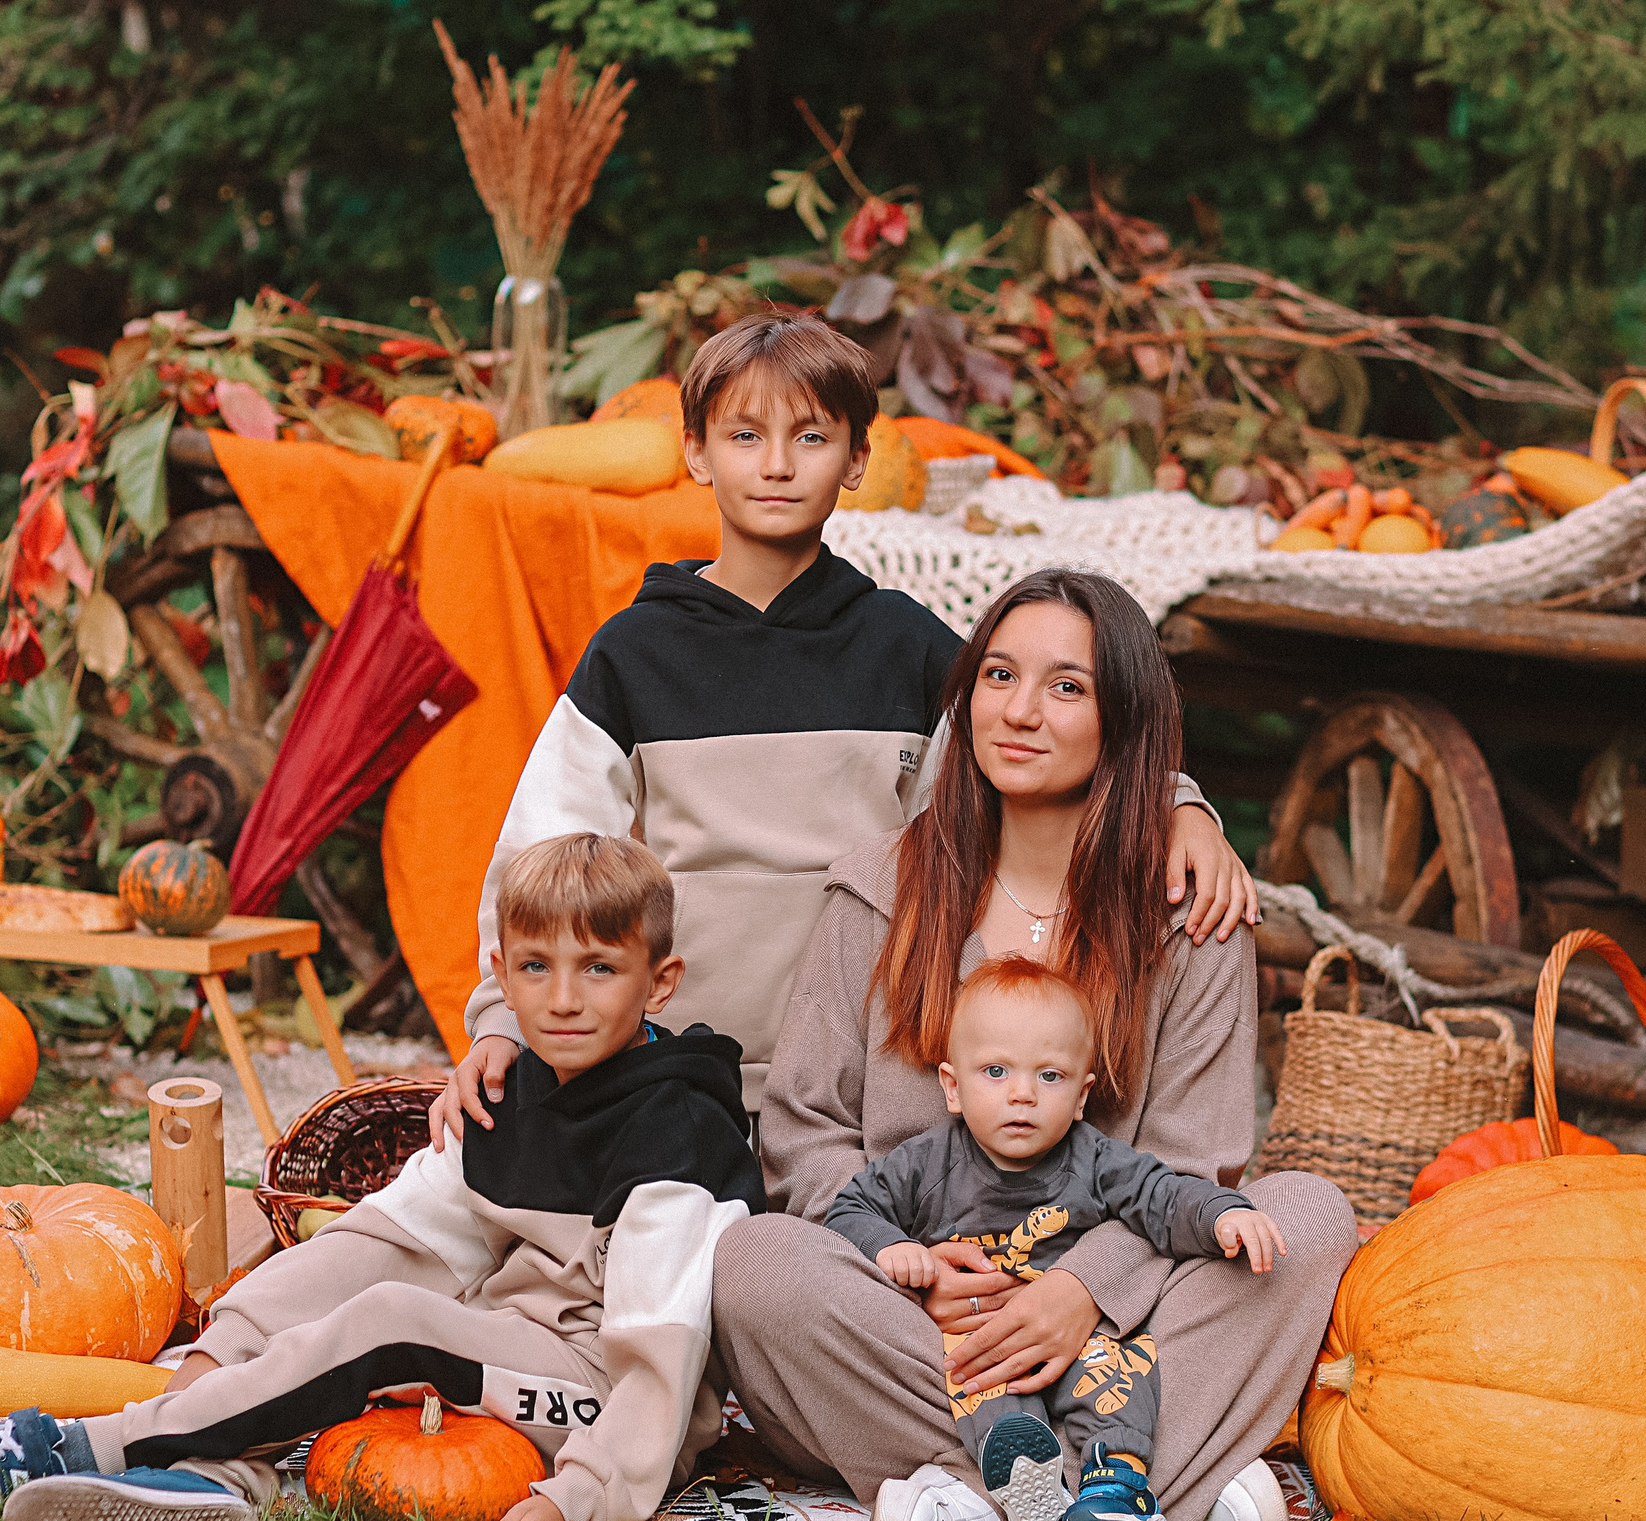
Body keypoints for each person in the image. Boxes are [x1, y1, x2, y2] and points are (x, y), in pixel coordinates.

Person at [432, 310, 1254, 1138]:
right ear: (694, 451)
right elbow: (539, 856)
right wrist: (504, 1020)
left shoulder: (906, 647)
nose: (778, 465)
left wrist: (1181, 805)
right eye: (745, 436)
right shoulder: (632, 657)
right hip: (668, 1072)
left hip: (859, 1091)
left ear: (860, 458)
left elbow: (1040, 744)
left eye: (813, 438)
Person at [713, 567, 1359, 1521]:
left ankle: (986, 1514)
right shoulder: (880, 887)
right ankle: (1151, 1505)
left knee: (1306, 1217)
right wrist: (909, 1272)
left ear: (1124, 720)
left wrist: (1076, 1293)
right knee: (755, 1262)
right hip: (927, 1319)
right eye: (999, 676)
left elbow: (1191, 1163)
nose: (1018, 711)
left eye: (1066, 687)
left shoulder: (1185, 914)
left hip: (1121, 1312)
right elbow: (804, 1130)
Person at [0, 834, 762, 1521]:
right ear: (501, 972)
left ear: (660, 981)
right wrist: (230, 1344)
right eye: (536, 966)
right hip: (510, 1349)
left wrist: (583, 1492)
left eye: (599, 969)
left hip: (607, 1399)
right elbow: (402, 1230)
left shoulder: (675, 1125)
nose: (563, 999)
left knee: (388, 1324)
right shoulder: (516, 1086)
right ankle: (212, 1479)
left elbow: (660, 1351)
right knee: (333, 1272)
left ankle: (89, 1446)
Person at [825, 955, 1285, 1521]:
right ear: (952, 1087)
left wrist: (1221, 1214)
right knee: (987, 1393)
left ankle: (1115, 1485)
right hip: (978, 1342)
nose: (1021, 1093)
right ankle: (1032, 1495)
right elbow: (848, 1210)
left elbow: (1163, 1195)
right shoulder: (925, 1163)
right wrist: (896, 1249)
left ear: (1080, 1094)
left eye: (1049, 1076)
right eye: (995, 1071)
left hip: (1080, 1334)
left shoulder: (1094, 1160)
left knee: (1117, 1378)